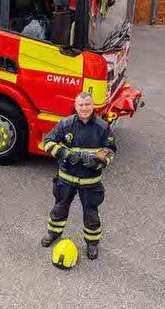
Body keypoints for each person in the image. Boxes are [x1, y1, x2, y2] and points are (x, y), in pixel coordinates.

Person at [41, 92, 116, 260]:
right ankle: (53, 233)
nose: (84, 108)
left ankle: (92, 243)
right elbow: (47, 143)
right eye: (80, 105)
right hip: (66, 178)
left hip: (91, 181)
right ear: (75, 106)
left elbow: (111, 151)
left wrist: (100, 161)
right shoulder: (65, 124)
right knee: (59, 208)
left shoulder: (103, 127)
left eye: (87, 105)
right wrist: (65, 154)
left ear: (93, 106)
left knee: (91, 213)